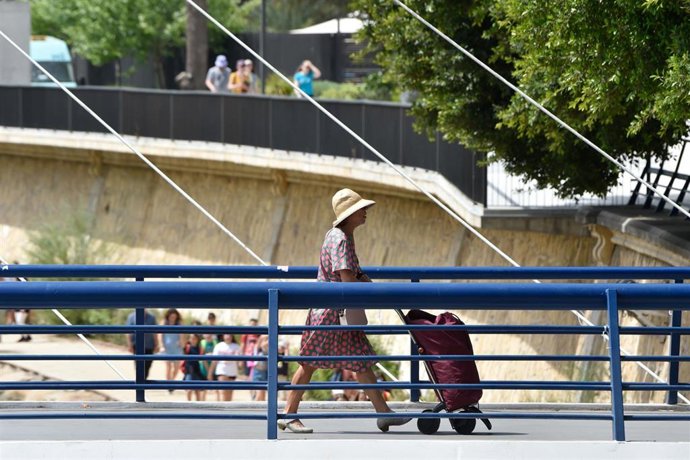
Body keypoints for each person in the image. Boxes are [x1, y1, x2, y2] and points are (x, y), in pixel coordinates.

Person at [279, 188, 411, 434]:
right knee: (309, 363)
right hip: (332, 311)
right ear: (348, 215)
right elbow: (347, 279)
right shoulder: (340, 238)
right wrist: (371, 290)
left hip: (334, 309)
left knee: (360, 361)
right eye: (361, 209)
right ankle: (288, 415)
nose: (365, 212)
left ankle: (384, 413)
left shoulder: (337, 235)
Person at [125, 308, 159, 380]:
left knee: (148, 364)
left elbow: (155, 332)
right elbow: (128, 332)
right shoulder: (131, 317)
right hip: (136, 345)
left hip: (149, 345)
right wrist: (129, 345)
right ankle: (140, 381)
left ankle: (143, 380)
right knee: (138, 364)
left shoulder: (152, 317)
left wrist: (156, 344)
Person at [207, 333, 240, 401]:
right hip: (222, 371)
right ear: (223, 336)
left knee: (229, 394)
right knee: (222, 392)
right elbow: (214, 361)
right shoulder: (219, 346)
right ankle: (222, 409)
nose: (228, 336)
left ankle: (228, 410)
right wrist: (210, 372)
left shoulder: (236, 346)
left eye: (230, 335)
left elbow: (239, 361)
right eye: (226, 335)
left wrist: (240, 367)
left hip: (232, 372)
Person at [158, 308, 184, 390]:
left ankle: (172, 382)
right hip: (167, 348)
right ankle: (168, 384)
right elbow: (160, 335)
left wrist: (181, 343)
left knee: (176, 368)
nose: (173, 318)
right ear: (168, 316)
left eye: (174, 316)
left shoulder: (179, 324)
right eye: (171, 316)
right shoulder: (164, 323)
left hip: (177, 348)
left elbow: (182, 335)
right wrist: (161, 345)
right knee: (168, 367)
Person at [182, 333, 204, 401]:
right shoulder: (187, 347)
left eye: (194, 338)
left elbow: (202, 359)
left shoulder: (199, 348)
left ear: (197, 339)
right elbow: (183, 340)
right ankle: (189, 404)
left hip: (197, 370)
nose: (193, 340)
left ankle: (198, 405)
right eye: (191, 338)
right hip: (189, 370)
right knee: (189, 389)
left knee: (197, 390)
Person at [200, 332, 220, 401]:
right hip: (204, 368)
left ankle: (219, 403)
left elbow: (217, 357)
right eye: (206, 334)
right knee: (203, 388)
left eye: (209, 334)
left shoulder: (215, 342)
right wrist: (208, 371)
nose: (208, 335)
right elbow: (202, 358)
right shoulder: (202, 343)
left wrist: (211, 370)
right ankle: (202, 405)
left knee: (217, 388)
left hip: (215, 367)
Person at [240, 318, 260, 383]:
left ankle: (254, 390)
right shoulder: (246, 334)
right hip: (247, 355)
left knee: (255, 373)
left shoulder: (259, 335)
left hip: (256, 356)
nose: (253, 326)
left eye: (254, 325)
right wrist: (241, 358)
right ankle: (250, 388)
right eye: (251, 325)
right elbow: (242, 345)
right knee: (247, 374)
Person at [252, 335, 269, 401]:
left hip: (266, 372)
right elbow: (262, 346)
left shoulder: (269, 349)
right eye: (265, 340)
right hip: (258, 371)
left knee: (263, 392)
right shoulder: (258, 349)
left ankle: (261, 408)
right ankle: (257, 407)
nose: (267, 341)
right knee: (260, 392)